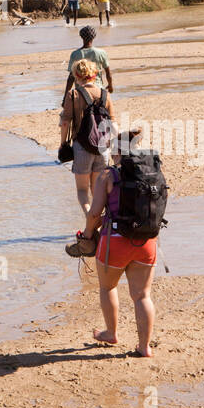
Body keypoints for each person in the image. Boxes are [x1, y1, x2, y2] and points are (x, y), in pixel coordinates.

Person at [72, 129, 157, 357]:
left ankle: (111, 332)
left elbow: (94, 214)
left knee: (108, 287)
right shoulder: (150, 171)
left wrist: (88, 235)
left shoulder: (108, 175)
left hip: (115, 242)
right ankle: (144, 347)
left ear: (116, 151)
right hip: (147, 241)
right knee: (142, 296)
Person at [59, 58, 114, 217]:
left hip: (82, 147)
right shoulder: (105, 93)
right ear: (94, 74)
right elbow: (113, 122)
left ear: (76, 75)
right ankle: (99, 224)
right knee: (97, 190)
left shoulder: (74, 94)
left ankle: (90, 218)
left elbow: (65, 123)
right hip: (102, 147)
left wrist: (63, 144)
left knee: (82, 190)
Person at [63, 25, 113, 95]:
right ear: (94, 37)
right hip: (98, 89)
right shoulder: (101, 52)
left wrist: (66, 95)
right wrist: (110, 86)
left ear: (81, 37)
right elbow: (108, 73)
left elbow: (71, 78)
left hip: (81, 91)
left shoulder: (75, 54)